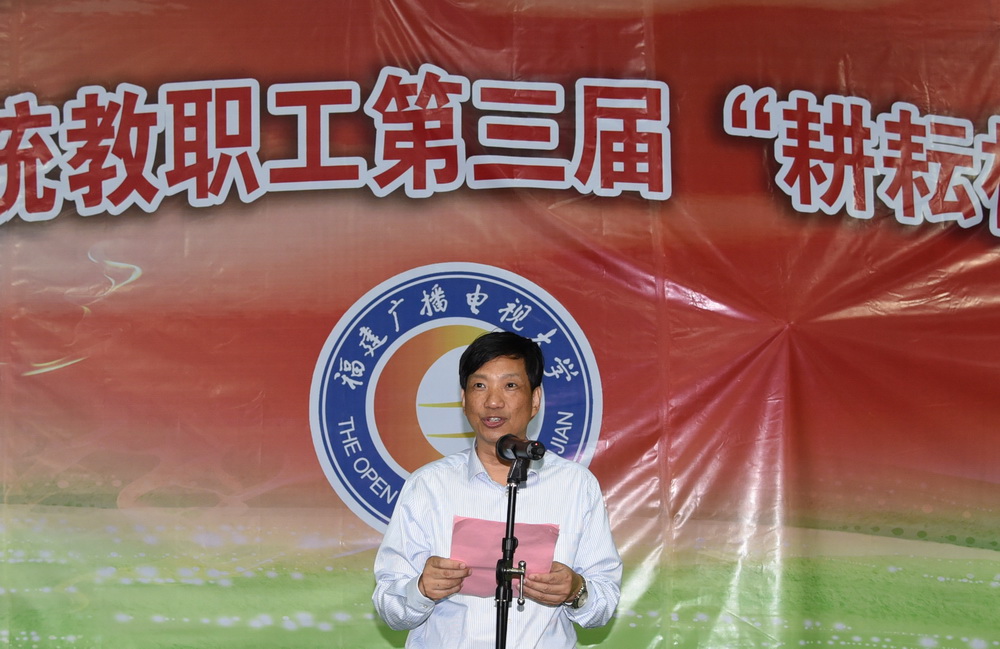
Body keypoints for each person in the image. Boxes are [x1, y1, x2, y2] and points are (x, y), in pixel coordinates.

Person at [372, 330, 622, 648]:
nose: (493, 401)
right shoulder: (428, 486)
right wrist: (420, 589)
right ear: (464, 400)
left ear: (535, 400)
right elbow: (390, 608)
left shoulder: (575, 485)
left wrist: (576, 590)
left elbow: (603, 604)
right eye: (480, 385)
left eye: (510, 385)